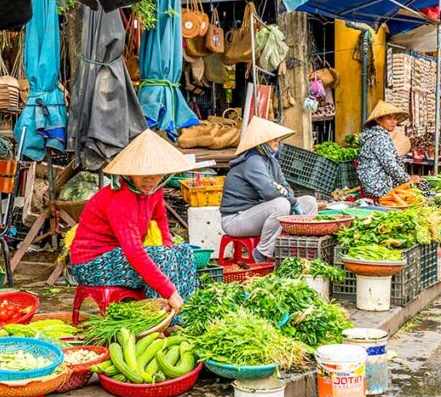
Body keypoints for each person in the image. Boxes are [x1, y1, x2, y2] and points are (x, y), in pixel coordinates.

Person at [69, 130, 198, 313]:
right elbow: (134, 251)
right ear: (130, 173)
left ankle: (184, 315)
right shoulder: (121, 198)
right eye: (143, 174)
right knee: (160, 257)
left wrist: (168, 245)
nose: (150, 180)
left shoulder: (154, 191)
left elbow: (160, 218)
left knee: (183, 253)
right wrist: (168, 291)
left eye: (155, 174)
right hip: (91, 264)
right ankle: (160, 319)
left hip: (119, 256)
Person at [219, 118, 318, 263]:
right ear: (261, 142)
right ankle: (262, 252)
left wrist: (292, 199)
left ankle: (301, 249)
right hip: (235, 220)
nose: (277, 141)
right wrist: (293, 202)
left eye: (277, 138)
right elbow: (269, 193)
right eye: (272, 138)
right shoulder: (253, 161)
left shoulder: (271, 161)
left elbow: (286, 186)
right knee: (281, 204)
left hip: (256, 214)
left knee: (310, 202)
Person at [357, 101, 413, 199]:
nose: (394, 122)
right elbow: (390, 165)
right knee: (420, 187)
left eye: (395, 118)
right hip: (377, 186)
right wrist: (408, 179)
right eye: (389, 118)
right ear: (379, 120)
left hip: (377, 182)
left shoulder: (378, 135)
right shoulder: (379, 138)